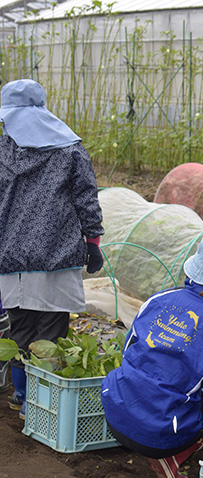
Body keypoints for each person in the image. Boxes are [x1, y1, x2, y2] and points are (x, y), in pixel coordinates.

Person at [101, 232, 203, 478]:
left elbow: (128, 350)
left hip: (115, 413)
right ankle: (173, 456)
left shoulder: (159, 299)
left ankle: (147, 430)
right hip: (159, 435)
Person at [0, 79, 105, 418]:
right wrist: (93, 241)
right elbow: (86, 199)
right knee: (51, 332)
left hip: (11, 257)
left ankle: (21, 394)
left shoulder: (3, 150)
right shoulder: (69, 149)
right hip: (55, 256)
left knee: (21, 328)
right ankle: (41, 403)